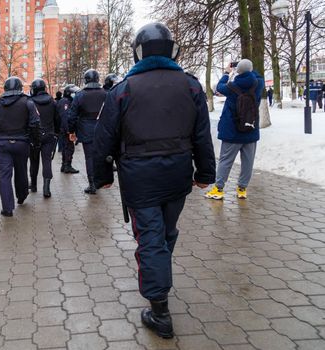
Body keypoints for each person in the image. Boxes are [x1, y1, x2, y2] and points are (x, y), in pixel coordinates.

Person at [94, 22, 216, 339]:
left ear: (139, 52)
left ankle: (159, 310)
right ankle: (158, 270)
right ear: (171, 50)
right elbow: (202, 135)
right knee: (164, 232)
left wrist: (102, 176)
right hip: (177, 175)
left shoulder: (123, 89)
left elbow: (104, 137)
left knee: (151, 239)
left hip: (139, 178)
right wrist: (205, 174)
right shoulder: (189, 86)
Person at [205, 59, 264, 200]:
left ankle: (218, 189)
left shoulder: (231, 86)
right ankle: (242, 189)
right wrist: (248, 68)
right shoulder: (258, 84)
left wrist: (227, 72)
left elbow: (219, 87)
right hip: (250, 129)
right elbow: (258, 76)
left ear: (238, 70)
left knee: (225, 160)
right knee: (248, 162)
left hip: (232, 132)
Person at [0, 77, 40, 217]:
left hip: (2, 144)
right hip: (22, 143)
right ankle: (21, 196)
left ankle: (7, 208)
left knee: (4, 176)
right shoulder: (28, 103)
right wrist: (34, 141)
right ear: (20, 87)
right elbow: (35, 123)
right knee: (21, 171)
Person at [68, 69, 107, 194]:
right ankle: (100, 181)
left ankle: (92, 184)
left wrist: (71, 131)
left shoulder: (80, 95)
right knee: (101, 156)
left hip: (86, 130)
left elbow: (72, 116)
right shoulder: (106, 93)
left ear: (86, 80)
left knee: (89, 157)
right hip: (103, 129)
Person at [29, 79, 60, 198]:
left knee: (34, 161)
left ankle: (34, 185)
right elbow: (57, 119)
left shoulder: (30, 102)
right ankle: (46, 189)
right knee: (47, 161)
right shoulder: (52, 102)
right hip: (49, 134)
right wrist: (56, 133)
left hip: (34, 136)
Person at [56, 85, 80, 174]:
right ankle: (67, 166)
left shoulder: (67, 101)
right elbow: (65, 117)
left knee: (66, 147)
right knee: (69, 148)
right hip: (66, 129)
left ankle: (64, 165)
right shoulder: (65, 102)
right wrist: (69, 130)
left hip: (64, 129)